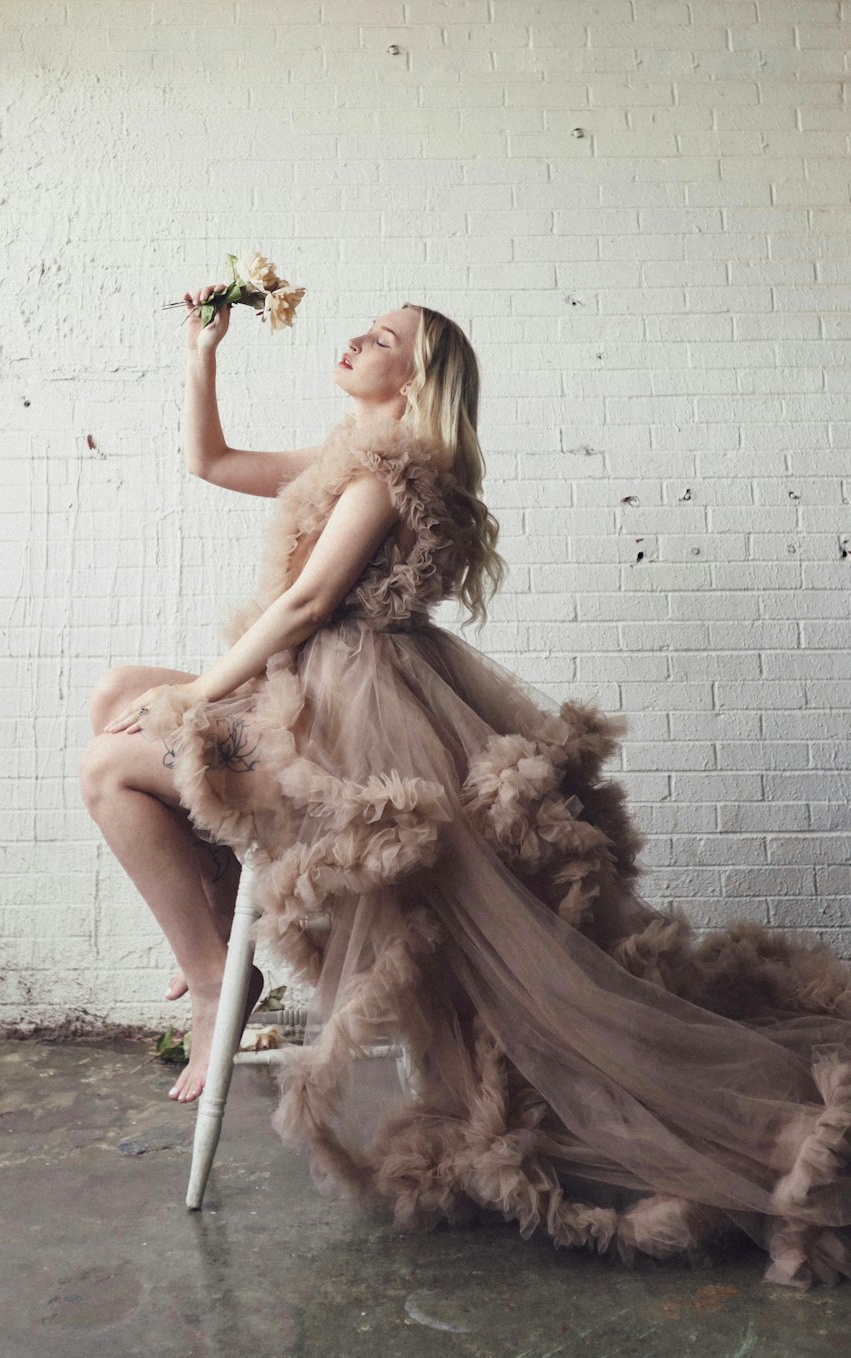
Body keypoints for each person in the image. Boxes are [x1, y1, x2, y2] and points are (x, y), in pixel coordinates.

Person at [79, 283, 851, 1291]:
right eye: (365, 326)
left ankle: (220, 978)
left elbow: (309, 601)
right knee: (112, 694)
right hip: (314, 696)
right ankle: (219, 931)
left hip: (352, 728)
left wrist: (197, 693)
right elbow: (210, 462)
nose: (359, 337)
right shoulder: (343, 462)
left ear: (418, 375)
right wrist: (201, 354)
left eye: (387, 336)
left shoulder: (396, 471)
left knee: (108, 762)